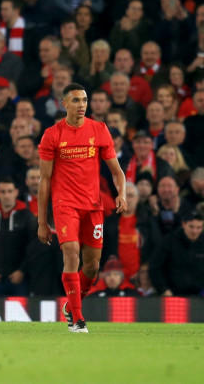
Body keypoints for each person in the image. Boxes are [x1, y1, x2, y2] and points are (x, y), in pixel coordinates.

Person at [37, 83, 127, 333]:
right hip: (65, 205)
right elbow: (44, 181)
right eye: (76, 100)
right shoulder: (52, 135)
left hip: (93, 206)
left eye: (84, 100)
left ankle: (70, 305)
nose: (82, 105)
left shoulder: (99, 130)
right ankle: (77, 319)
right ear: (64, 104)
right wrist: (42, 221)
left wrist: (122, 193)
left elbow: (116, 171)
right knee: (71, 253)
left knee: (92, 267)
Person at [149, 214, 204, 296]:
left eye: (198, 227)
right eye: (191, 227)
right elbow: (155, 267)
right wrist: (163, 289)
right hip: (173, 294)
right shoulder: (169, 241)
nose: (195, 231)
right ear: (184, 224)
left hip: (200, 295)